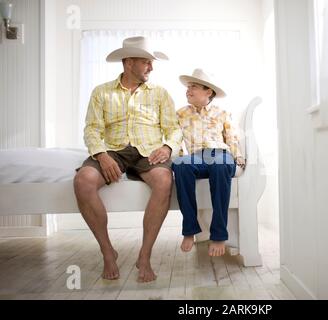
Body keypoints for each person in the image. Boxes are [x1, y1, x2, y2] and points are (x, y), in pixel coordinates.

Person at [73, 36, 182, 282]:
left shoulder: (160, 93)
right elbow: (91, 129)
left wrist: (167, 147)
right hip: (113, 149)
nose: (151, 68)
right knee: (83, 181)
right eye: (146, 62)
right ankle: (107, 251)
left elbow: (174, 128)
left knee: (164, 181)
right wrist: (101, 155)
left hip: (149, 150)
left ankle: (144, 255)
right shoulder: (101, 92)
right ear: (128, 62)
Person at [172, 68, 245, 257]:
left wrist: (238, 158)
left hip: (221, 153)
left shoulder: (221, 113)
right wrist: (178, 157)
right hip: (196, 156)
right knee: (180, 165)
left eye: (193, 87)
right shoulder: (180, 114)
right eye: (188, 87)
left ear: (208, 92)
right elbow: (174, 139)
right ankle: (189, 230)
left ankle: (219, 235)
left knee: (220, 166)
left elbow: (232, 137)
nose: (188, 90)